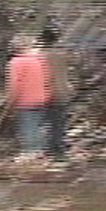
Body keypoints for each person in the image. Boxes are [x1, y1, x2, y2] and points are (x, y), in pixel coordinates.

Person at [5, 35, 51, 159]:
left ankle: (29, 152)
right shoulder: (40, 60)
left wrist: (11, 100)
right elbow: (47, 79)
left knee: (28, 125)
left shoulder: (16, 62)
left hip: (25, 99)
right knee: (38, 124)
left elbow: (14, 83)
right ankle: (39, 150)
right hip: (42, 97)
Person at [37, 27, 73, 161]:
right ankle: (59, 150)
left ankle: (47, 148)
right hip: (62, 91)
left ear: (42, 40)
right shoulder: (63, 55)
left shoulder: (39, 56)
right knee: (58, 122)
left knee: (44, 122)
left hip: (44, 92)